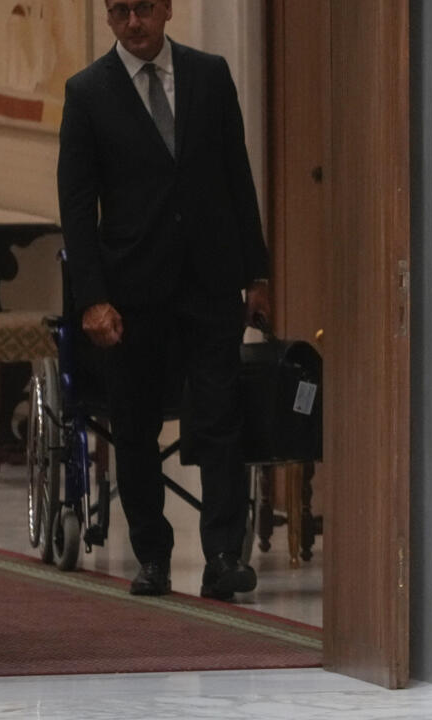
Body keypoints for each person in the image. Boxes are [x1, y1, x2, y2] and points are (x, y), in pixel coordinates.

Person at [57, 0, 270, 600]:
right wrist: (91, 298)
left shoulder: (210, 75)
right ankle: (152, 554)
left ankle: (224, 555)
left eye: (144, 8)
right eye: (121, 11)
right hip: (131, 291)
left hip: (209, 281)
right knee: (136, 427)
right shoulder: (88, 93)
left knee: (220, 419)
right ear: (107, 17)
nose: (134, 22)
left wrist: (257, 272)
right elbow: (77, 208)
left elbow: (238, 176)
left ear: (168, 9)